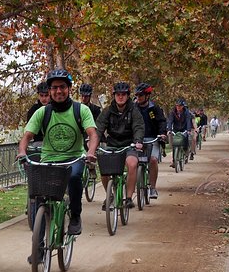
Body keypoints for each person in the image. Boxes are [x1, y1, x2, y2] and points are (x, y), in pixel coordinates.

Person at [17, 69, 99, 238]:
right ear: (50, 90)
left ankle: (75, 216)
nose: (58, 91)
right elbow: (26, 137)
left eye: (62, 87)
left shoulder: (81, 110)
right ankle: (38, 250)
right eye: (54, 88)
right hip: (48, 160)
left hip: (74, 158)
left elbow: (92, 134)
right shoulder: (43, 112)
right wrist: (22, 152)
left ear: (69, 88)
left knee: (75, 177)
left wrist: (90, 152)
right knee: (40, 199)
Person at [96, 82, 144, 208]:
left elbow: (138, 127)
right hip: (112, 144)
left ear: (128, 96)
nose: (120, 97)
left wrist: (138, 141)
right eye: (118, 94)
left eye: (123, 94)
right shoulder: (107, 111)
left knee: (132, 164)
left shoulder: (134, 110)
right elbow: (99, 128)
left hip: (130, 145)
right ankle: (109, 195)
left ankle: (128, 198)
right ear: (114, 96)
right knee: (104, 167)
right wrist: (93, 143)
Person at [134, 82, 166, 199]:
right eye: (137, 96)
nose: (138, 98)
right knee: (132, 161)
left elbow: (162, 121)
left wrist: (162, 133)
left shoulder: (154, 109)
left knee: (152, 160)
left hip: (153, 139)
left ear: (147, 96)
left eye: (140, 96)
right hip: (137, 140)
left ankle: (152, 188)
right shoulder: (133, 108)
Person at [166, 98, 193, 168]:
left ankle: (186, 152)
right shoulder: (173, 112)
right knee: (175, 145)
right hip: (175, 130)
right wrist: (169, 130)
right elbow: (170, 121)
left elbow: (188, 121)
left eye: (180, 106)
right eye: (177, 106)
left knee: (186, 140)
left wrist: (188, 130)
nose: (178, 107)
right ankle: (174, 161)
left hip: (184, 129)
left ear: (183, 106)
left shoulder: (186, 112)